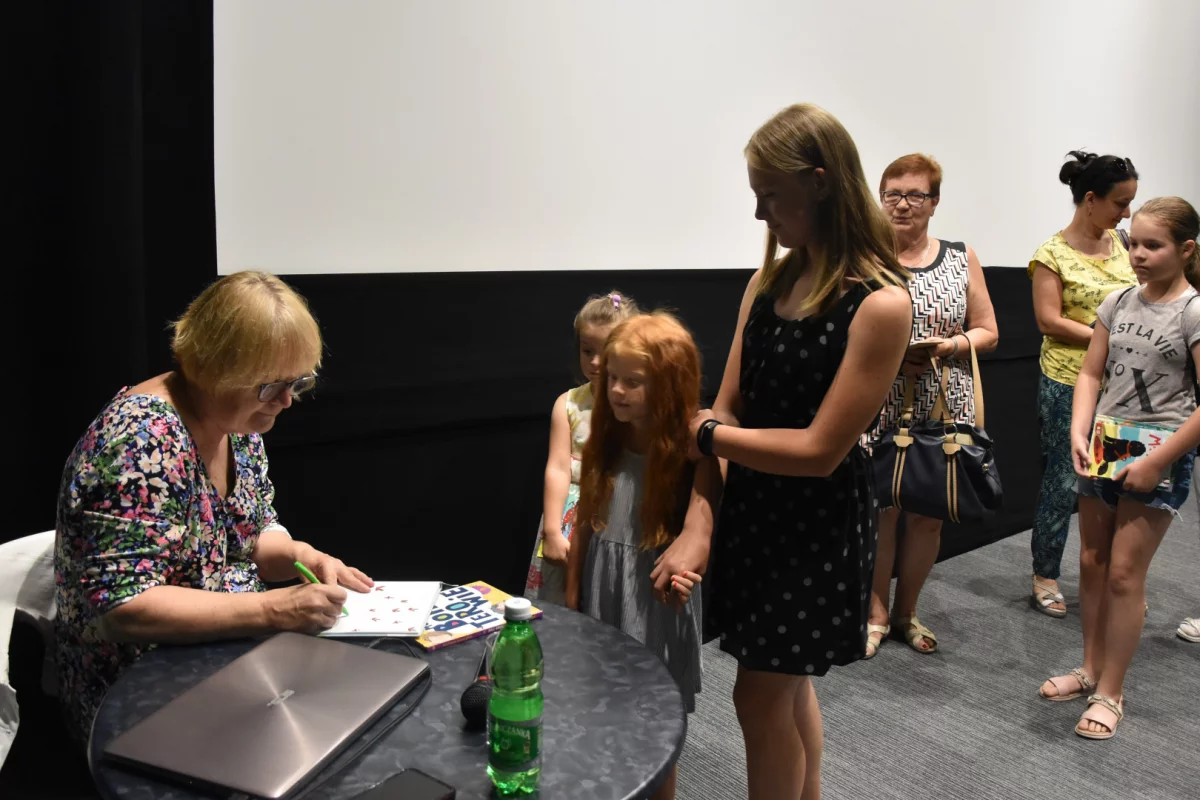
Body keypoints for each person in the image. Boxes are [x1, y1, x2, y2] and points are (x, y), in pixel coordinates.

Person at [688, 104, 912, 800]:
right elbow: (729, 402)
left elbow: (819, 450)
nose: (761, 215)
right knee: (784, 687)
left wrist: (702, 436)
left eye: (770, 197)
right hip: (757, 510)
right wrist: (706, 506)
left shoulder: (880, 303)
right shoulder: (768, 284)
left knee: (759, 699)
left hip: (813, 525)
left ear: (819, 182)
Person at [53, 271, 371, 744]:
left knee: (359, 707)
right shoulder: (141, 442)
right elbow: (124, 607)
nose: (286, 401)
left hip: (218, 656)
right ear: (212, 367)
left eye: (298, 383)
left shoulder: (237, 425)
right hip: (139, 689)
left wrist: (300, 554)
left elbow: (250, 530)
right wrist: (273, 609)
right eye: (270, 386)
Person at [1040, 197, 1199, 739]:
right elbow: (1090, 373)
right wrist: (1077, 430)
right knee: (1090, 562)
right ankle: (1089, 670)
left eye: (1152, 246)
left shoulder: (1192, 312)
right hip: (1105, 444)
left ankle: (1111, 691)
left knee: (1127, 574)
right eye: (1133, 243)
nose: (1137, 254)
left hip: (1159, 450)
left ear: (1186, 249)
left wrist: (1158, 460)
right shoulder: (1117, 301)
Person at [564, 312, 707, 800]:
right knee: (602, 706)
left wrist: (689, 573)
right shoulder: (606, 438)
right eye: (612, 380)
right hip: (603, 587)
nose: (618, 392)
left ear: (668, 383)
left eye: (633, 381)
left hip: (655, 600)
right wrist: (573, 590)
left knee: (656, 719)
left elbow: (703, 530)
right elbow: (585, 515)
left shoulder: (692, 448)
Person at [865, 154, 999, 656]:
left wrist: (949, 346)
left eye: (915, 195)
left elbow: (989, 330)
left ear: (934, 202)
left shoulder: (961, 256)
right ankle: (876, 614)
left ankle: (907, 612)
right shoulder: (864, 258)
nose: (903, 204)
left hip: (946, 398)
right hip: (879, 396)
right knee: (882, 508)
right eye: (893, 194)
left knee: (929, 512)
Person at [1028, 151, 1139, 617]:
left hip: (1123, 387)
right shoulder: (1051, 254)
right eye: (1120, 202)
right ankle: (1045, 573)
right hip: (1067, 381)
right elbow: (1049, 321)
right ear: (1089, 200)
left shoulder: (1126, 244)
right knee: (1063, 478)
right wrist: (1109, 336)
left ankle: (1114, 575)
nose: (1127, 212)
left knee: (1118, 480)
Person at [525, 291, 639, 604]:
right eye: (587, 350)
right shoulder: (569, 404)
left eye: (606, 352)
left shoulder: (637, 406)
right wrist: (551, 531)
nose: (594, 362)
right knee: (562, 603)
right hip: (570, 519)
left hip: (618, 518)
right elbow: (558, 467)